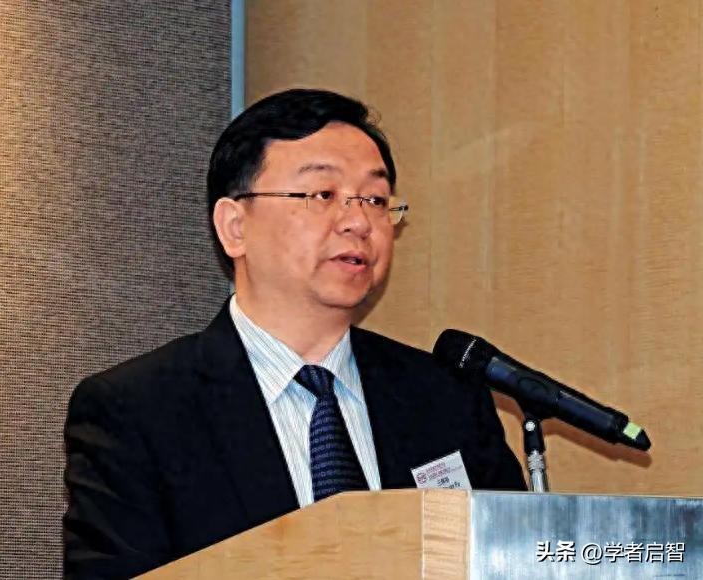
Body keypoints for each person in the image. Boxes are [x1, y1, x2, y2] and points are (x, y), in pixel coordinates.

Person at [63, 88, 526, 580]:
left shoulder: (445, 397)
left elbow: (514, 561)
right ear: (235, 227)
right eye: (323, 195)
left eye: (375, 199)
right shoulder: (138, 411)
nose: (358, 222)